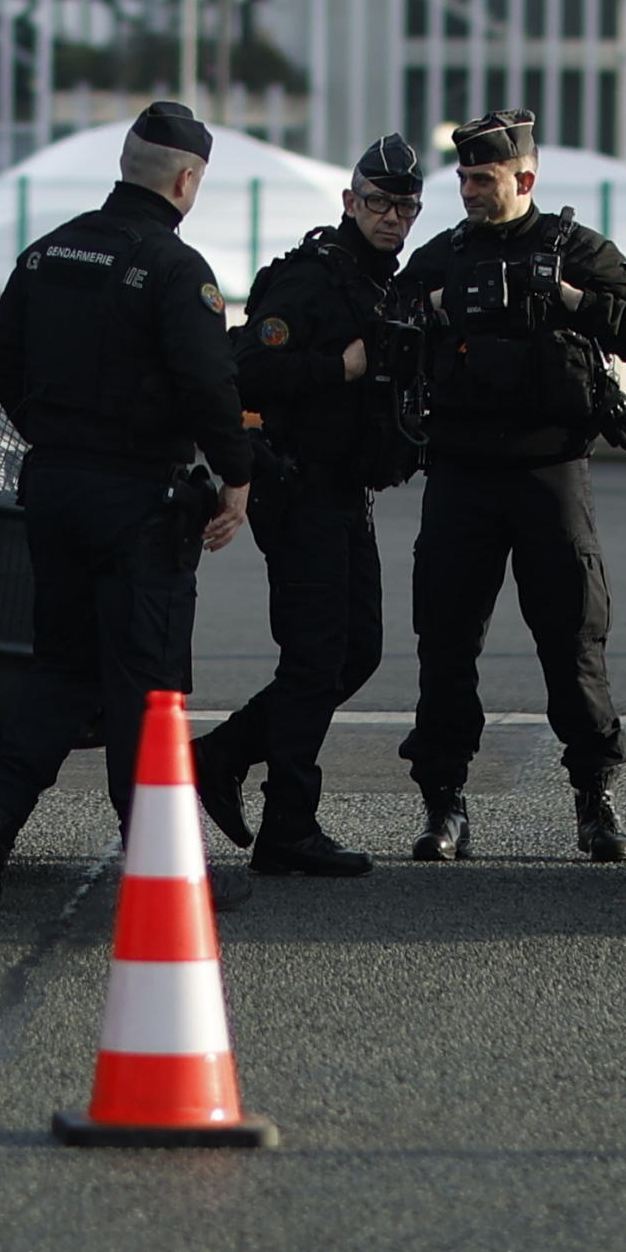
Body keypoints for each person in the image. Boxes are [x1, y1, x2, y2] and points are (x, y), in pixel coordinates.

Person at [0, 98, 253, 907]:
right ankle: (166, 864)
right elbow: (206, 382)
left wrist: (49, 435)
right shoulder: (172, 267)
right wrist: (237, 472)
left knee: (60, 669)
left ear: (127, 164)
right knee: (145, 687)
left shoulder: (49, 251)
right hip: (138, 500)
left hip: (53, 487)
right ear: (187, 180)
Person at [386, 109, 626, 862]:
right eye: (465, 177)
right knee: (444, 640)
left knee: (572, 636)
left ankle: (594, 794)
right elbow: (390, 324)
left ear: (526, 177)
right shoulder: (444, 255)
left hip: (550, 471)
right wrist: (437, 311)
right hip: (462, 474)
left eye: (484, 178)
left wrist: (572, 297)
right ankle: (444, 801)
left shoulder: (573, 248)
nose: (470, 190)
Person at [194, 134, 430, 878]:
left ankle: (223, 753)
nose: (392, 216)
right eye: (378, 202)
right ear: (350, 202)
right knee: (317, 654)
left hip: (345, 489)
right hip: (298, 489)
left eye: (405, 205)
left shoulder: (381, 283)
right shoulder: (311, 279)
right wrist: (340, 364)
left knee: (355, 650)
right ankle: (288, 823)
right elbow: (245, 368)